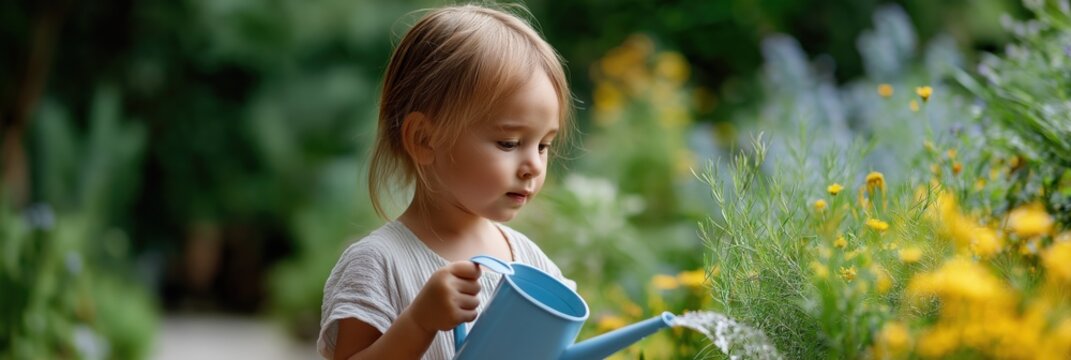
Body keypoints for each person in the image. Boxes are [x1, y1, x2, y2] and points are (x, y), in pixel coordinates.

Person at [318, 4, 575, 359]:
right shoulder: (378, 264)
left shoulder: (533, 266)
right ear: (424, 140)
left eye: (544, 145)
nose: (533, 164)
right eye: (509, 143)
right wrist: (419, 323)